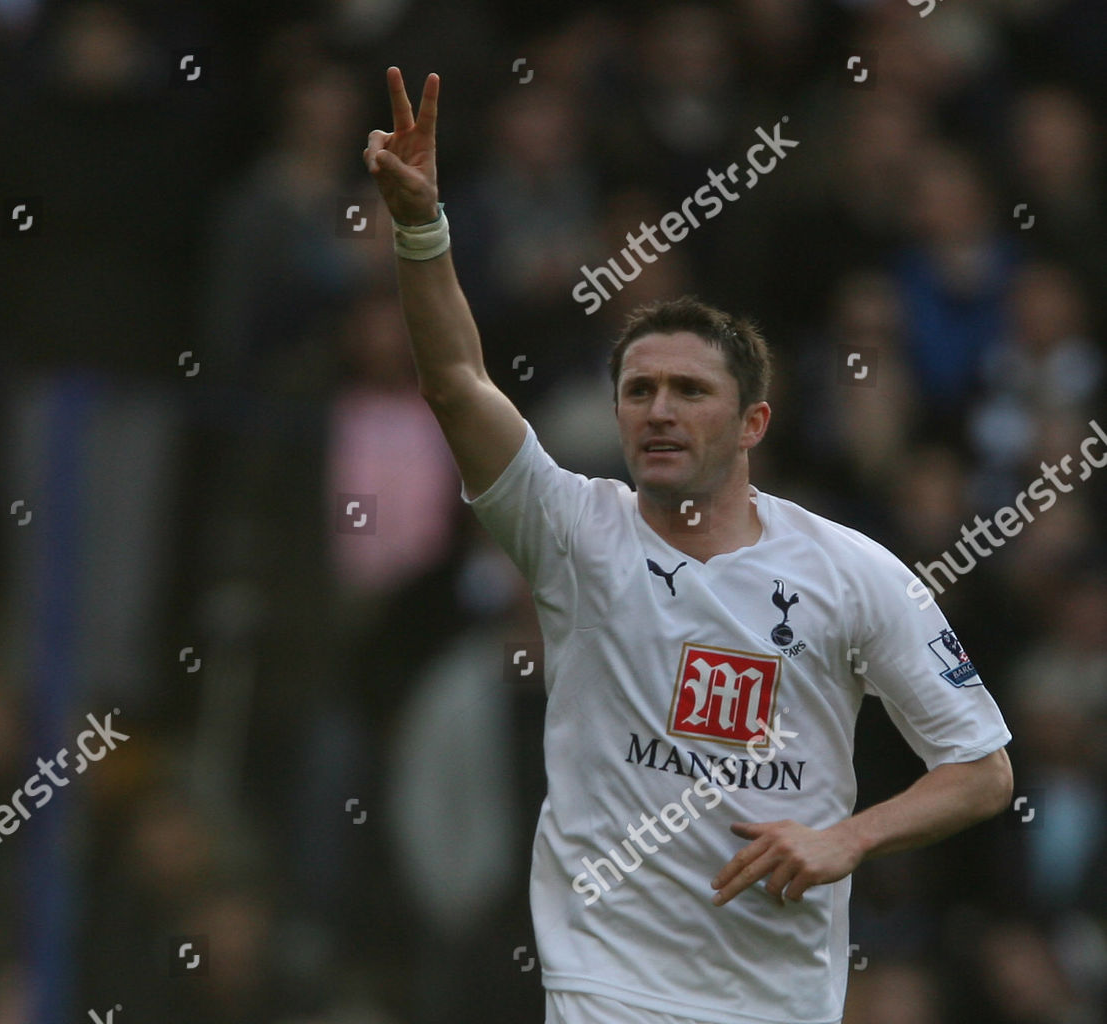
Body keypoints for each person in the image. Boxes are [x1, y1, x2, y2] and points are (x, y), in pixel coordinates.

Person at [364, 67, 1014, 1024]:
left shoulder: (853, 571)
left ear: (753, 422)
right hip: (604, 987)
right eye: (639, 390)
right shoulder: (573, 529)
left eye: (689, 392)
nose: (659, 411)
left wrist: (850, 839)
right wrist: (421, 227)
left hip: (778, 998)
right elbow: (458, 382)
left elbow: (983, 771)